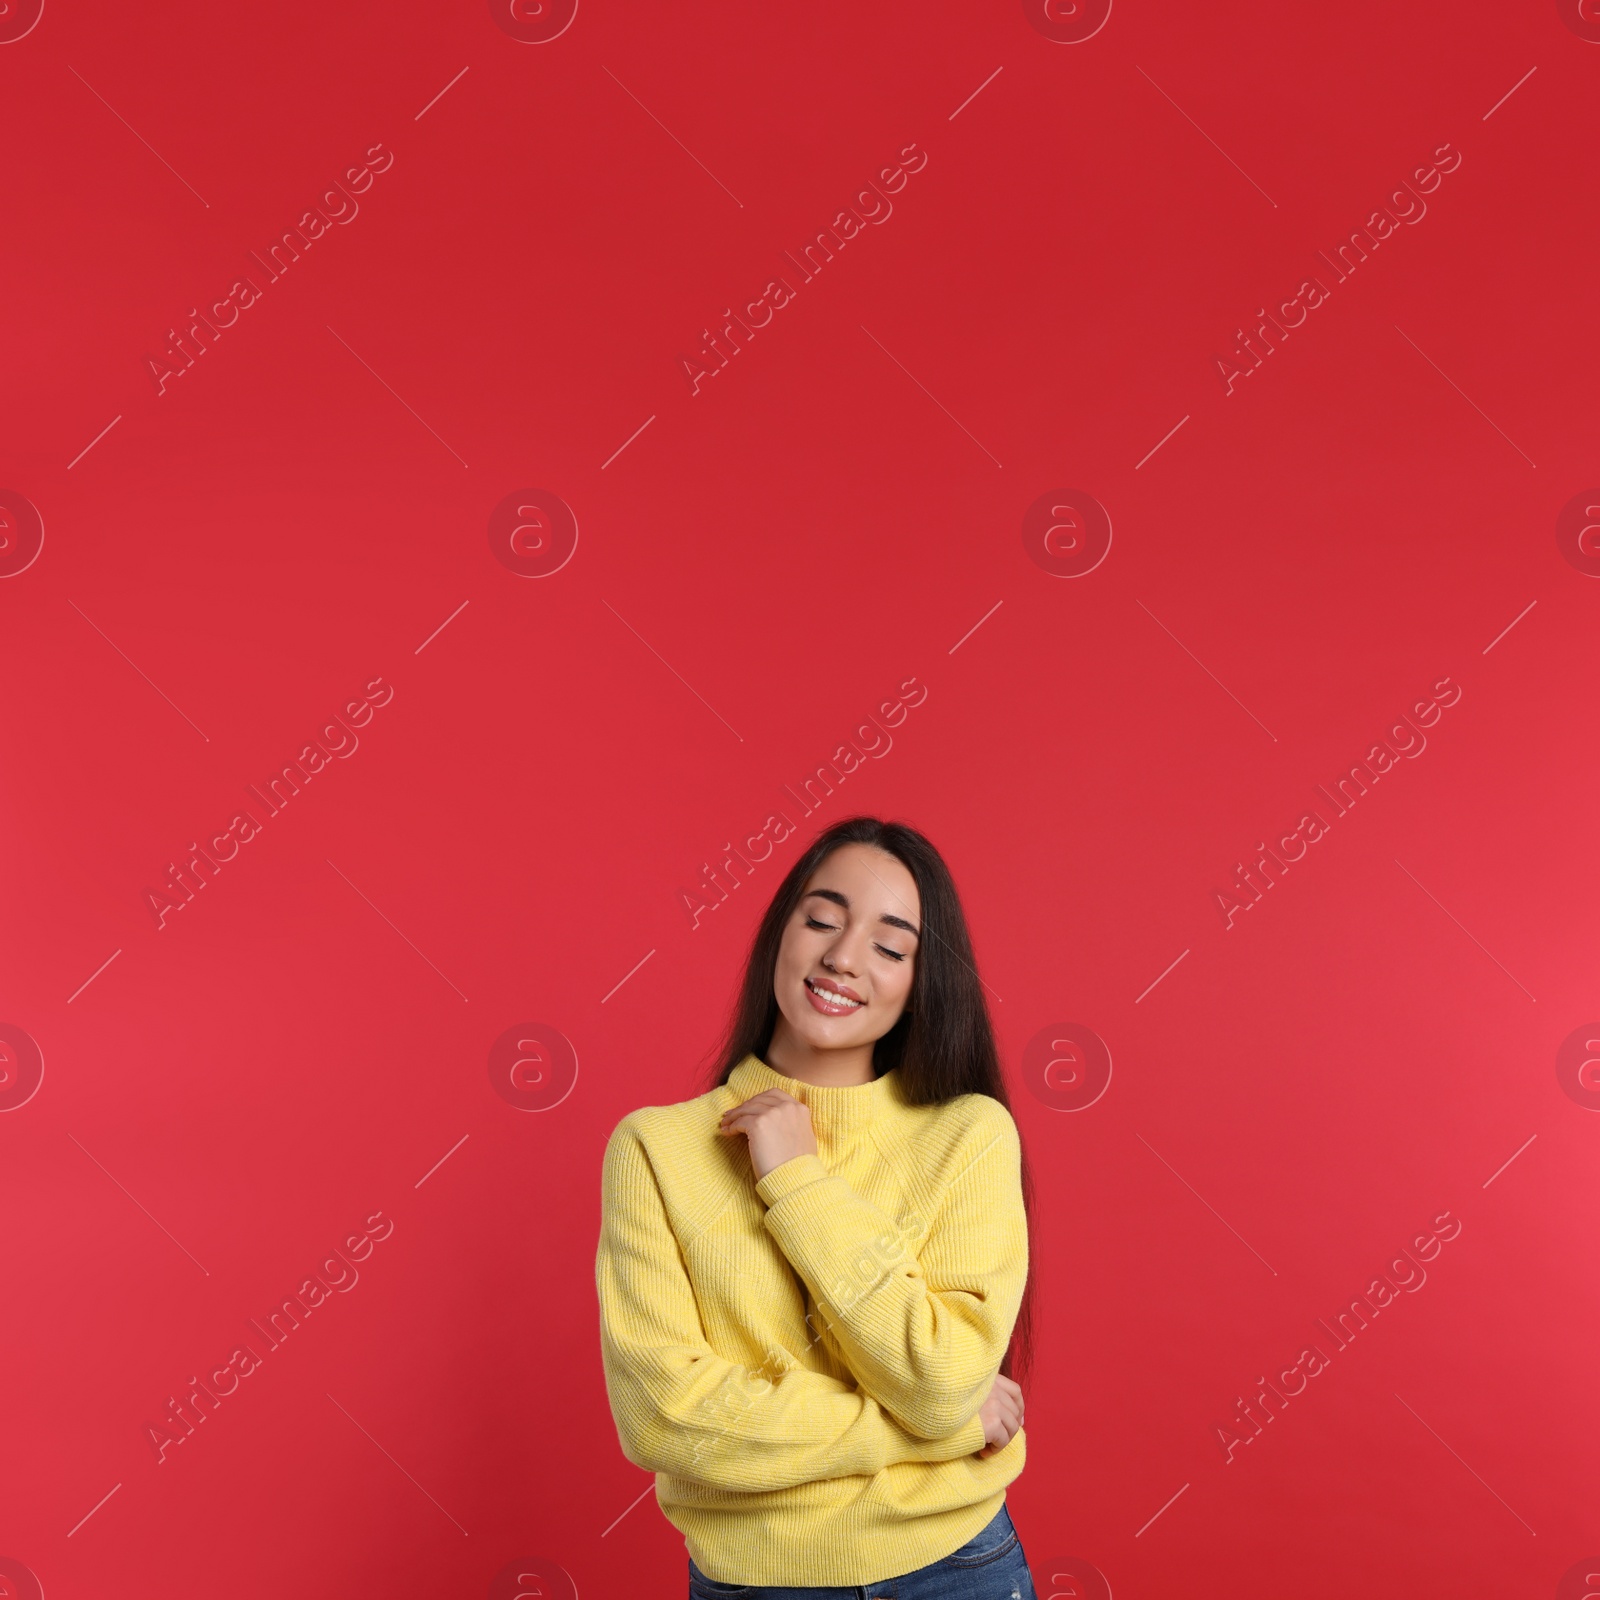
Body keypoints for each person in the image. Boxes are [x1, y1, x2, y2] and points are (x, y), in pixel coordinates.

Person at [595, 816, 1039, 1597]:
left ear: (920, 982)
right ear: (781, 932)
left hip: (956, 1570)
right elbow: (667, 1418)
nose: (843, 957)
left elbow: (942, 1377)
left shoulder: (968, 1135)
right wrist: (933, 1434)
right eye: (824, 919)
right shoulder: (655, 1150)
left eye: (890, 946)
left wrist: (796, 1180)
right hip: (753, 1583)